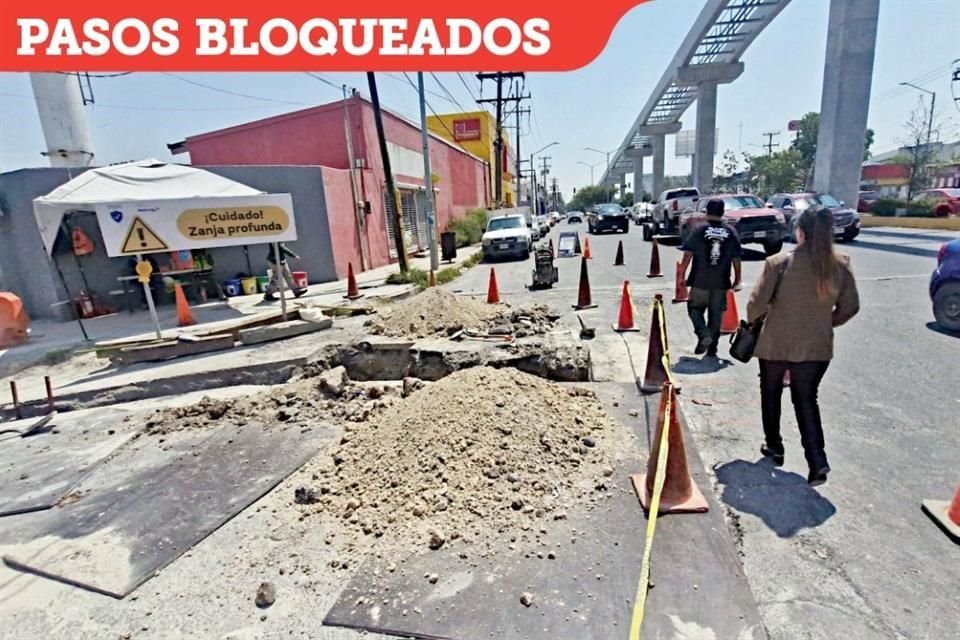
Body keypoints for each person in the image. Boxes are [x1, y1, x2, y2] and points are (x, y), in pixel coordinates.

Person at [746, 206, 859, 486]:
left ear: (800, 231)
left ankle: (774, 445)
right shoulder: (841, 263)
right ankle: (817, 462)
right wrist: (824, 323)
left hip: (776, 343)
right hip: (817, 346)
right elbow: (851, 307)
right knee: (806, 399)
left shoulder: (779, 263)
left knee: (770, 393)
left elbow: (755, 306)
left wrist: (758, 320)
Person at [679, 197, 742, 357]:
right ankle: (712, 349)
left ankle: (703, 334)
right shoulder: (730, 232)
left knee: (694, 309)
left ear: (706, 211)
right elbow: (736, 258)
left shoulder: (699, 229)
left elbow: (688, 254)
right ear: (722, 212)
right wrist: (737, 279)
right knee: (716, 315)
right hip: (721, 282)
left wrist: (682, 275)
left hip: (700, 281)